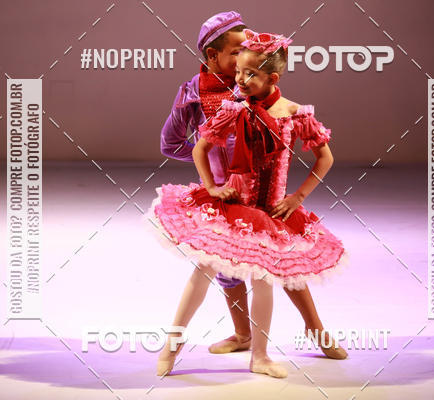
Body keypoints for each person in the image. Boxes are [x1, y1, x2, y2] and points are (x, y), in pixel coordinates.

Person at [148, 28, 349, 379]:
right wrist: (212, 187)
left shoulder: (295, 113)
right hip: (234, 207)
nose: (239, 80)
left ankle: (260, 355)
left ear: (272, 78)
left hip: (271, 212)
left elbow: (325, 157)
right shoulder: (234, 109)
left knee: (265, 280)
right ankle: (172, 345)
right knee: (203, 271)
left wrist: (298, 197)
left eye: (249, 74)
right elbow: (200, 148)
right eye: (238, 72)